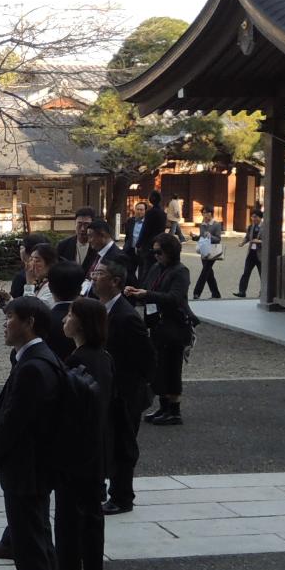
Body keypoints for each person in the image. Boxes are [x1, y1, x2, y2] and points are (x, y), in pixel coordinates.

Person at [0, 295, 69, 570]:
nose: (5, 324)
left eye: (11, 317)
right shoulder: (35, 358)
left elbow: (17, 420)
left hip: (27, 468)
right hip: (32, 466)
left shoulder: (35, 365)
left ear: (30, 322)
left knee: (31, 549)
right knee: (38, 542)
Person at [58, 296, 110, 570]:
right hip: (97, 451)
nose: (65, 319)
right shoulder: (104, 358)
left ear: (82, 323)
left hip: (76, 453)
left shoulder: (77, 362)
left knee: (68, 521)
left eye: (69, 314)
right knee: (92, 517)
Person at [92, 260, 152, 514]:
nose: (94, 278)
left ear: (115, 281)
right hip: (112, 389)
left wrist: (133, 388)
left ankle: (122, 495)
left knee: (123, 444)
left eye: (100, 274)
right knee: (111, 440)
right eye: (94, 273)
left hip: (126, 391)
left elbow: (147, 357)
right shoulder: (103, 309)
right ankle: (112, 489)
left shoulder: (126, 316)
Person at [127, 231, 192, 427]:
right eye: (154, 252)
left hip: (174, 325)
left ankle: (174, 409)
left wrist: (148, 294)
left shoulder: (180, 271)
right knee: (159, 366)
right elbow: (147, 287)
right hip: (157, 323)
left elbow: (175, 298)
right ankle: (164, 406)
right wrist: (137, 292)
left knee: (173, 366)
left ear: (170, 252)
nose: (156, 256)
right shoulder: (156, 267)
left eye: (159, 252)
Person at [193, 216, 223, 299]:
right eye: (204, 213)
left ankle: (197, 292)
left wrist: (210, 236)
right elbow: (201, 237)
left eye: (207, 212)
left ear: (211, 214)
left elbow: (218, 239)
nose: (205, 215)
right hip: (204, 250)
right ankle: (216, 293)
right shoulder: (202, 225)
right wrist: (194, 237)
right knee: (209, 273)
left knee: (205, 271)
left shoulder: (216, 224)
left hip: (213, 250)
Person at [236, 212, 265, 298]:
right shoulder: (251, 227)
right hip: (251, 254)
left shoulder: (266, 227)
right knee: (246, 272)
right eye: (252, 217)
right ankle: (242, 291)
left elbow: (268, 240)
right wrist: (242, 243)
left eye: (255, 217)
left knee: (262, 274)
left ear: (260, 217)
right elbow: (247, 237)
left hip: (260, 254)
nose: (253, 219)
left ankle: (263, 292)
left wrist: (259, 241)